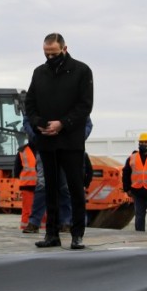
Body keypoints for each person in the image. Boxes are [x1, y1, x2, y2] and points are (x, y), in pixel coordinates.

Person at [25, 33, 93, 250]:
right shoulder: (39, 72)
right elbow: (30, 104)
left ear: (64, 48)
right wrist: (40, 124)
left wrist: (62, 124)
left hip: (71, 141)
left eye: (54, 53)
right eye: (46, 53)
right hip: (46, 140)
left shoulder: (82, 71)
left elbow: (85, 106)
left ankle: (77, 234)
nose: (50, 57)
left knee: (74, 188)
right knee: (50, 189)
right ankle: (51, 234)